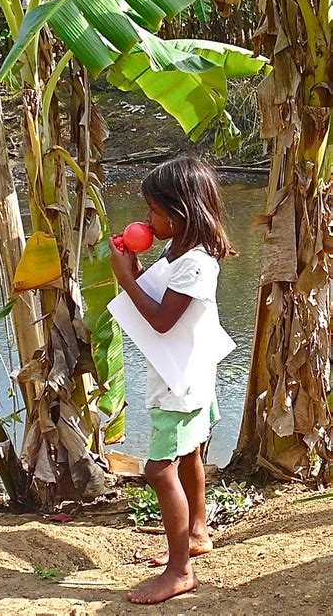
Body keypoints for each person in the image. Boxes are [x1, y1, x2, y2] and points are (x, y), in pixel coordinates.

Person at [108, 155, 235, 605]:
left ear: (180, 214)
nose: (147, 220)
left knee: (158, 469)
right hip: (189, 373)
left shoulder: (197, 263)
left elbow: (162, 321)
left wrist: (126, 280)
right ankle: (196, 532)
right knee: (188, 455)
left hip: (179, 383)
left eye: (153, 212)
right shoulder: (179, 252)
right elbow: (164, 300)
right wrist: (139, 273)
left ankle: (180, 571)